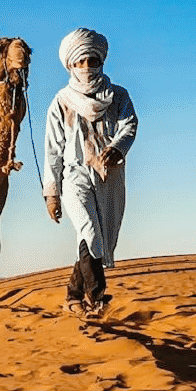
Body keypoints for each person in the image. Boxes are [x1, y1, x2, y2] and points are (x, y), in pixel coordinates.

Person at [42, 28, 138, 315]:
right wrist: (52, 194)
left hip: (109, 177)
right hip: (75, 175)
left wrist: (118, 148)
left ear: (101, 62)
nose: (86, 67)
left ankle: (73, 295)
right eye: (80, 62)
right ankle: (96, 299)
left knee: (96, 238)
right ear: (70, 65)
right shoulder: (61, 101)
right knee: (89, 231)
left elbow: (129, 126)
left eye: (92, 61)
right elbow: (53, 150)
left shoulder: (118, 96)